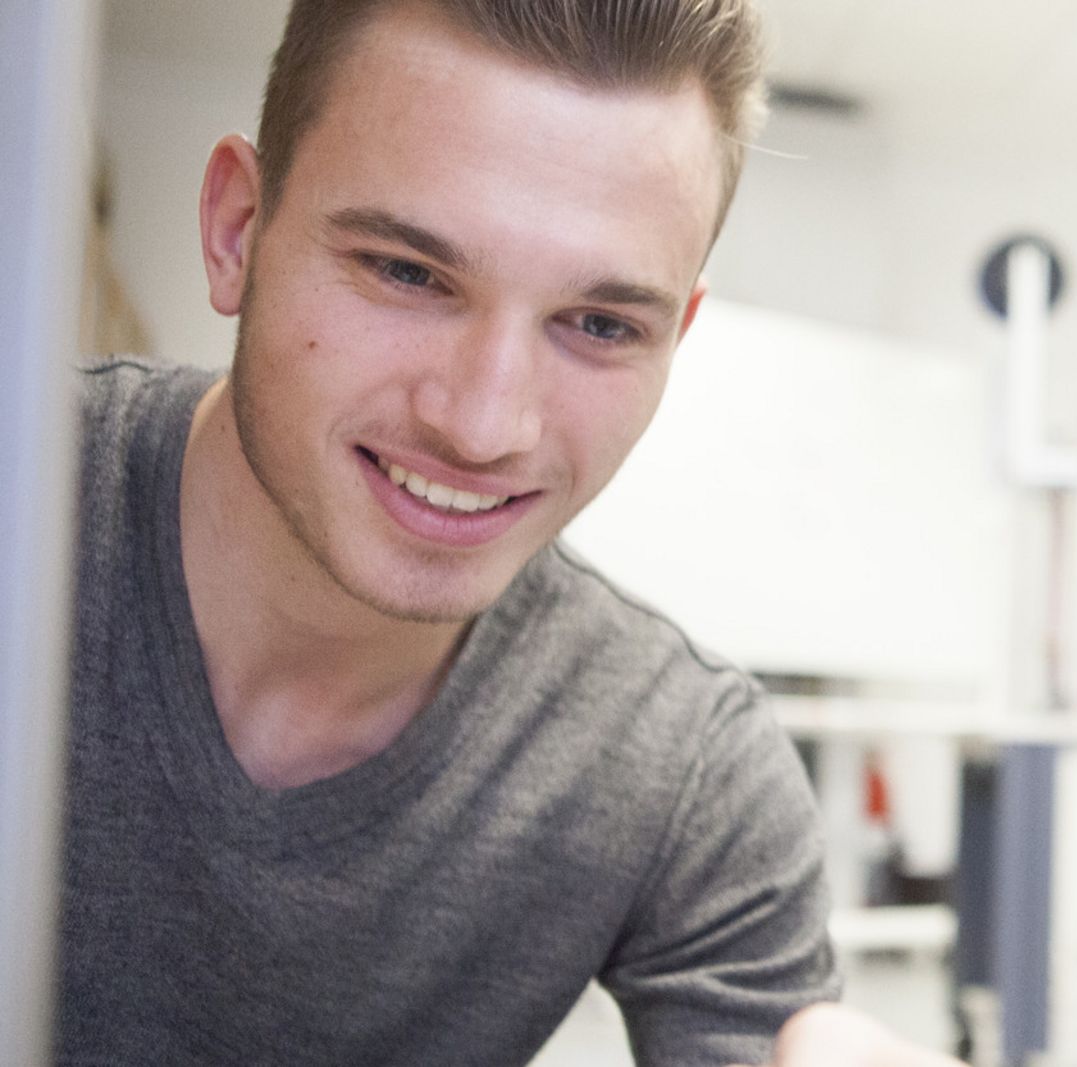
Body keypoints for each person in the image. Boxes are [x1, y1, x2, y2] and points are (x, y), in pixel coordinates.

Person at [57, 2, 844, 1063]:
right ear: (239, 228)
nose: (483, 423)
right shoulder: (35, 507)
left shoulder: (684, 773)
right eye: (408, 272)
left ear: (674, 339)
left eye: (601, 325)